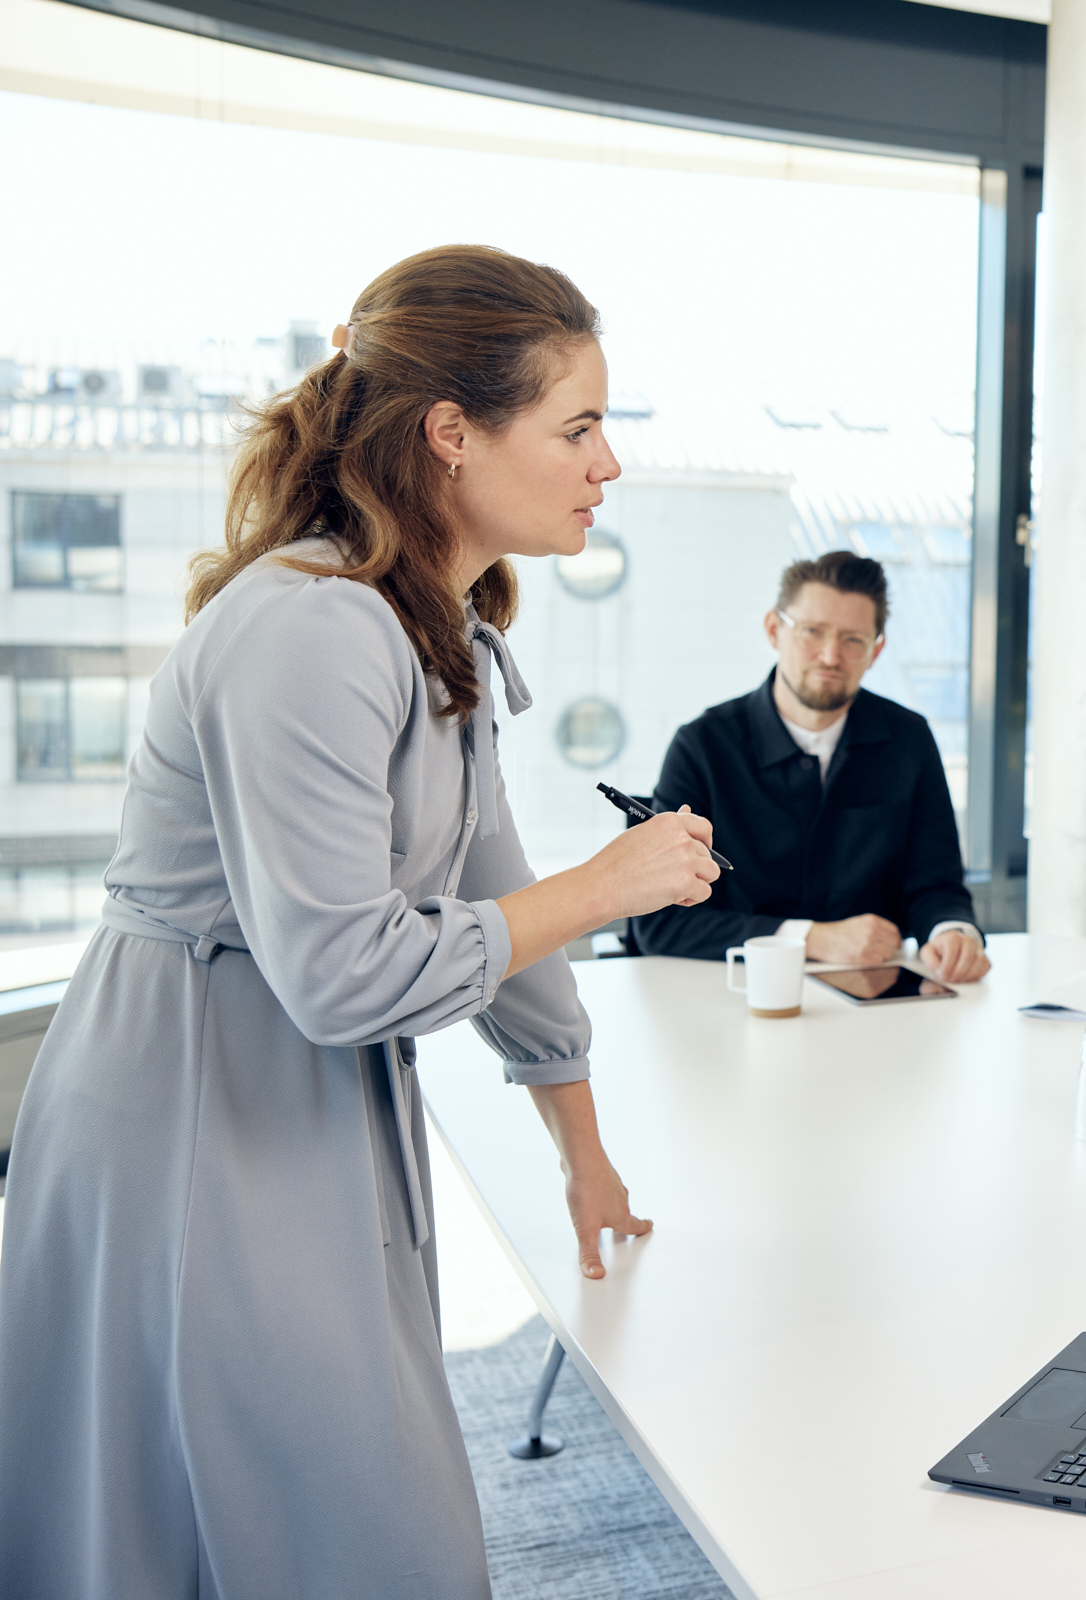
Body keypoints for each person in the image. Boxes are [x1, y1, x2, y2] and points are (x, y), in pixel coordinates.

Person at [0, 245, 722, 1596]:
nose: (605, 463)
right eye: (577, 426)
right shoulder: (311, 629)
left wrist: (583, 1149)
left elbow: (494, 900)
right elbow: (340, 974)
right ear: (452, 434)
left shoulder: (430, 626)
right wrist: (613, 881)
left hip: (297, 1097)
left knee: (322, 1510)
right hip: (193, 1104)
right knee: (311, 1522)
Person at [631, 551, 988, 983]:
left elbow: (936, 885)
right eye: (812, 632)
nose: (830, 656)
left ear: (876, 650)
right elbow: (658, 923)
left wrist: (952, 931)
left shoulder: (909, 739)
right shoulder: (703, 745)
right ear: (773, 630)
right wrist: (809, 938)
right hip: (732, 1000)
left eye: (853, 639)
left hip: (877, 1005)